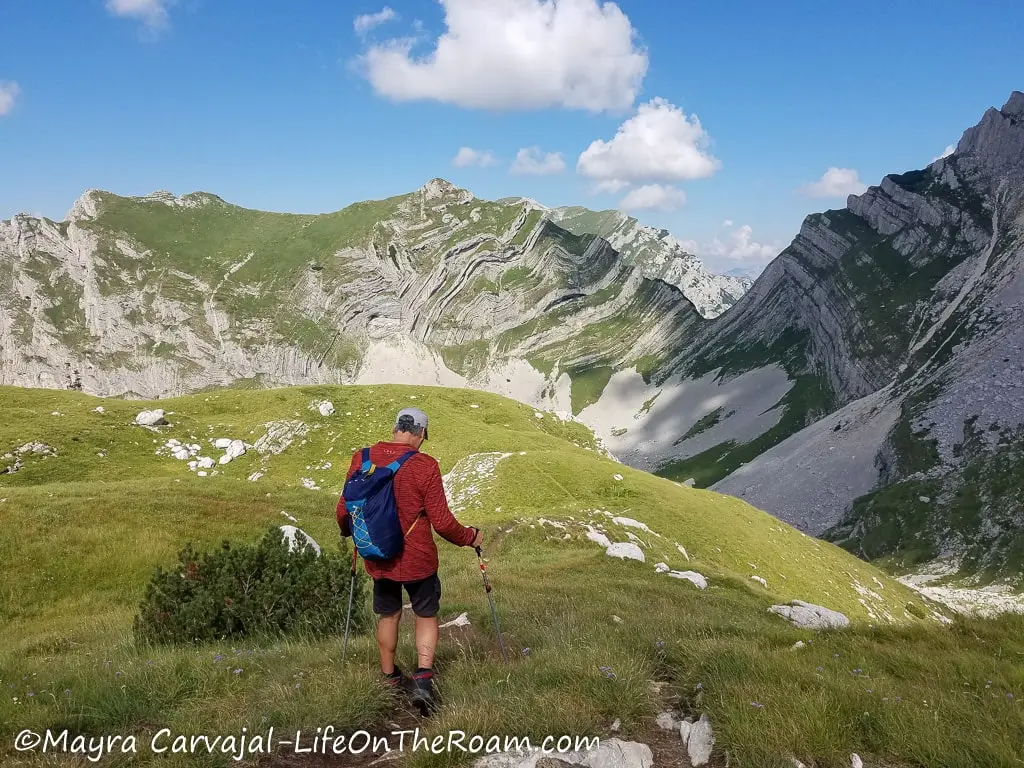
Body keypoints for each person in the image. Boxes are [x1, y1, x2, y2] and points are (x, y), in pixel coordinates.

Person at [336, 406, 482, 711]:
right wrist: (470, 537)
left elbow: (343, 511)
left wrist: (350, 534)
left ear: (395, 428)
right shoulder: (425, 465)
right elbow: (442, 523)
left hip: (378, 557)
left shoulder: (362, 458)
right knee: (425, 614)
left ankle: (388, 677)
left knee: (388, 614)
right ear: (421, 434)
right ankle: (423, 681)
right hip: (417, 558)